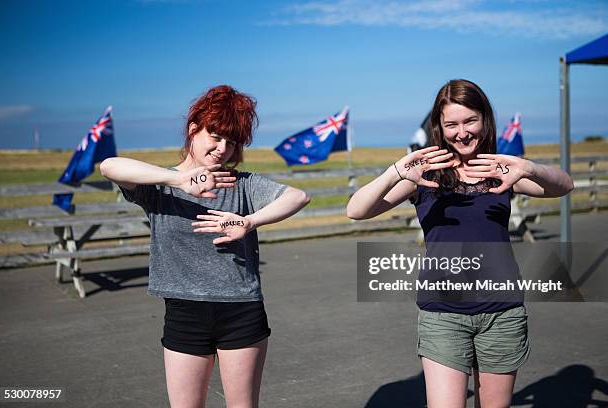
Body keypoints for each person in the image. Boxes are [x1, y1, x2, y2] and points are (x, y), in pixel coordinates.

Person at [347, 79, 573, 408]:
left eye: (470, 121)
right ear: (439, 127)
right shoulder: (425, 175)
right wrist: (397, 170)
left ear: (485, 119)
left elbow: (563, 185)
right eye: (451, 124)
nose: (462, 133)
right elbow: (356, 210)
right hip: (443, 315)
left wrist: (527, 167)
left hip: (502, 314)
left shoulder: (500, 169)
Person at [100, 85, 310, 408]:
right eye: (215, 135)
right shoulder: (160, 186)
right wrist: (179, 180)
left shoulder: (241, 184)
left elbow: (298, 196)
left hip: (241, 310)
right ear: (193, 129)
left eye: (232, 141)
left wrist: (249, 222)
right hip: (185, 313)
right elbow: (109, 166)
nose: (222, 148)